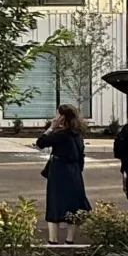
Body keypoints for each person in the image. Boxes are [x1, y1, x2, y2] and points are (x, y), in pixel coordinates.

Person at [36, 103, 91, 244]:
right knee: (73, 204)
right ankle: (69, 240)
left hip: (59, 170)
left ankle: (53, 240)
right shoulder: (77, 134)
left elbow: (40, 143)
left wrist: (51, 128)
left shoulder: (59, 134)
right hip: (74, 171)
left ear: (61, 117)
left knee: (55, 202)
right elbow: (81, 156)